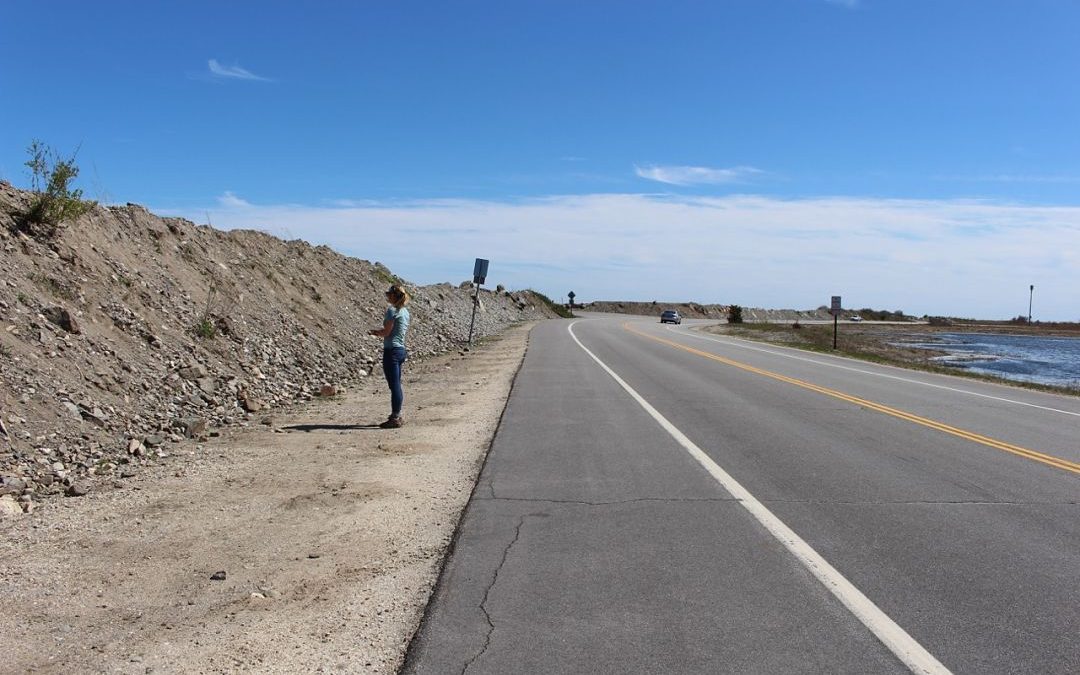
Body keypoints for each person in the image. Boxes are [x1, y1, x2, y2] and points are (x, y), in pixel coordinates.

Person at [369, 284, 411, 428]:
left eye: (389, 294)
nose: (387, 296)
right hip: (400, 350)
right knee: (396, 384)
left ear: (394, 296)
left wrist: (374, 332)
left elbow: (387, 332)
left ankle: (395, 417)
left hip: (391, 351)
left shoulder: (392, 311)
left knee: (394, 385)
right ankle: (396, 415)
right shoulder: (405, 312)